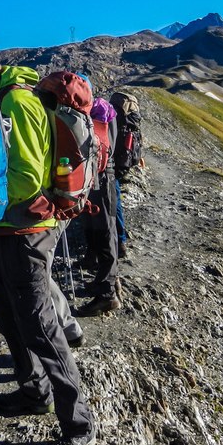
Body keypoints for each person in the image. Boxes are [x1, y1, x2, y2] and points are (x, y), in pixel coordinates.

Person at [0, 42, 96, 445]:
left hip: (26, 228)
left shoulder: (16, 103)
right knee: (10, 315)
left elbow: (26, 179)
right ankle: (34, 390)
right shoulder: (11, 97)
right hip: (12, 227)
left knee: (41, 327)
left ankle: (79, 426)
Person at [78, 93, 121, 315]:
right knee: (104, 233)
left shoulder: (93, 114)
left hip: (99, 179)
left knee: (105, 234)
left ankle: (107, 294)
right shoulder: (104, 111)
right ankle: (104, 283)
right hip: (104, 178)